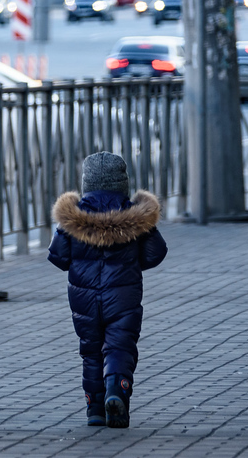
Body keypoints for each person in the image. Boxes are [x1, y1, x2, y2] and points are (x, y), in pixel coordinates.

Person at [48, 152, 167, 429]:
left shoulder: (72, 218)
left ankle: (94, 409)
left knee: (90, 352)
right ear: (122, 183)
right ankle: (117, 389)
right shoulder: (136, 215)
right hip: (124, 297)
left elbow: (57, 257)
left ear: (86, 183)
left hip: (83, 299)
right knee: (120, 347)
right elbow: (155, 253)